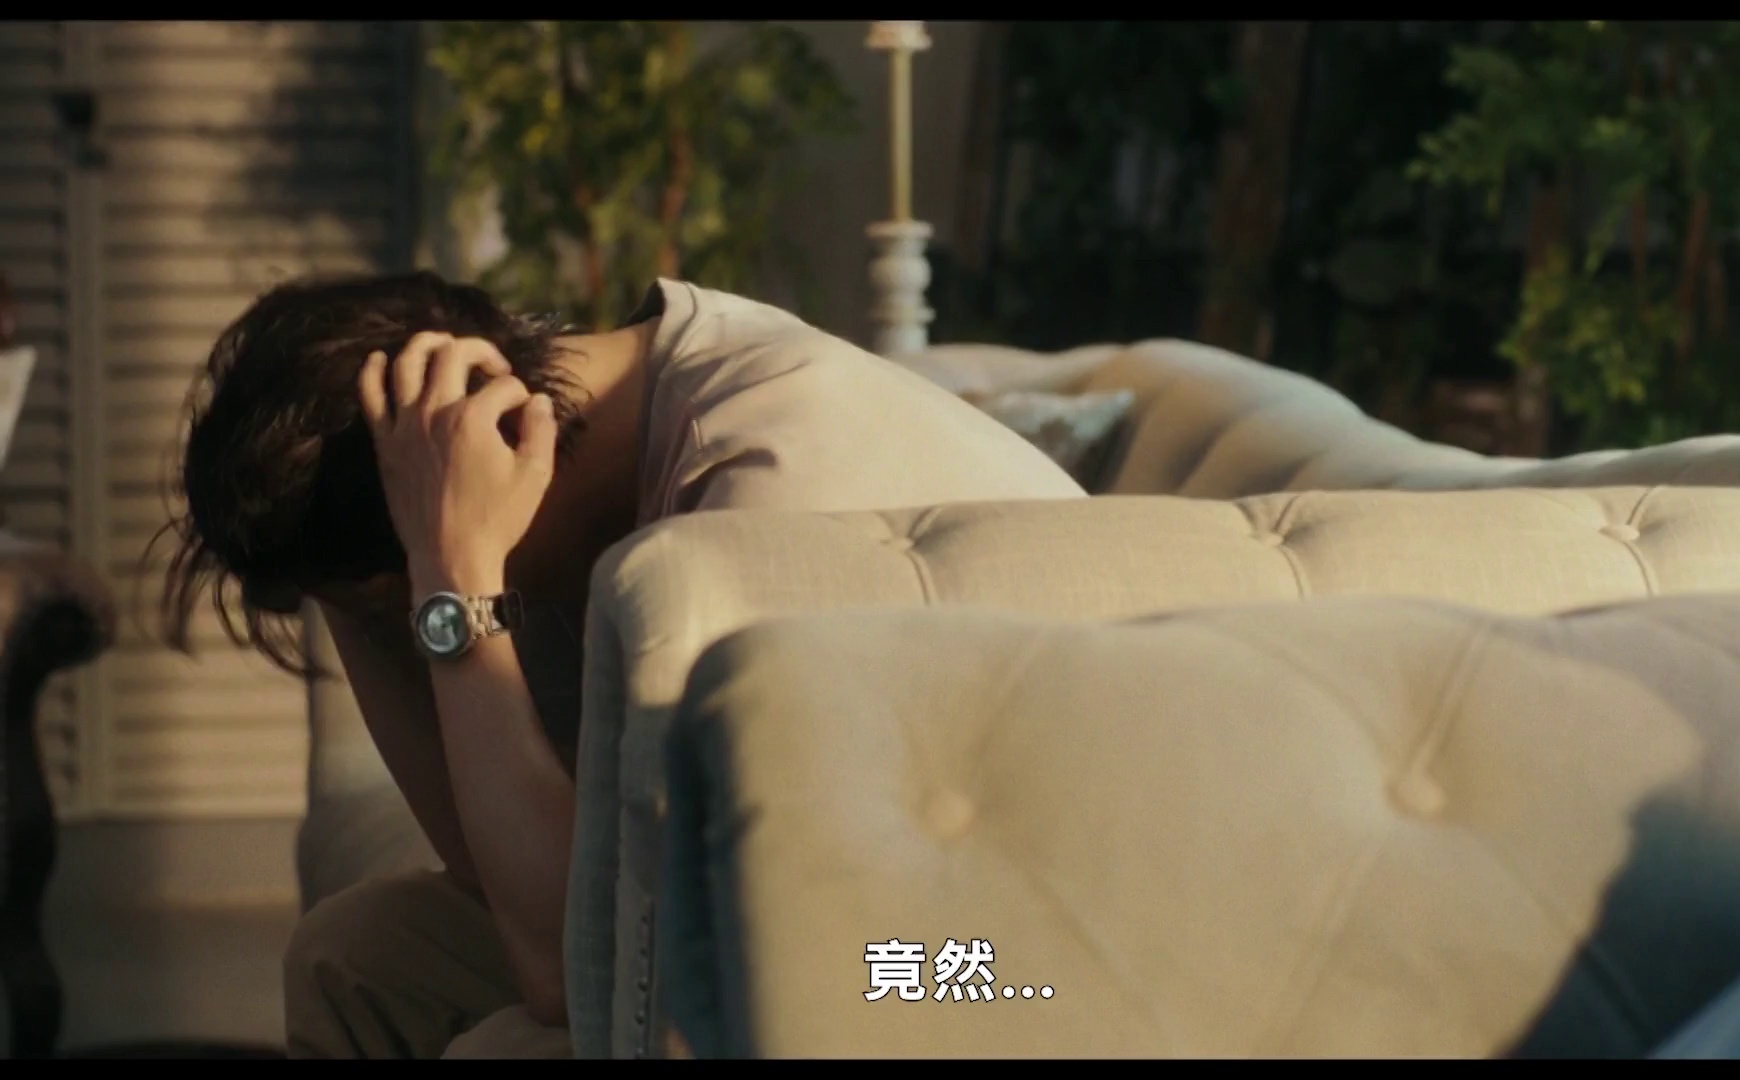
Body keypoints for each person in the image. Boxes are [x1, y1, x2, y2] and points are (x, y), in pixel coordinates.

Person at [159, 271, 1086, 1059]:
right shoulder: (596, 438)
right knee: (353, 958)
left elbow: (579, 967)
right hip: (805, 918)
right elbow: (495, 875)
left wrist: (452, 573)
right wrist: (367, 581)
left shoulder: (764, 497)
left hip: (988, 962)